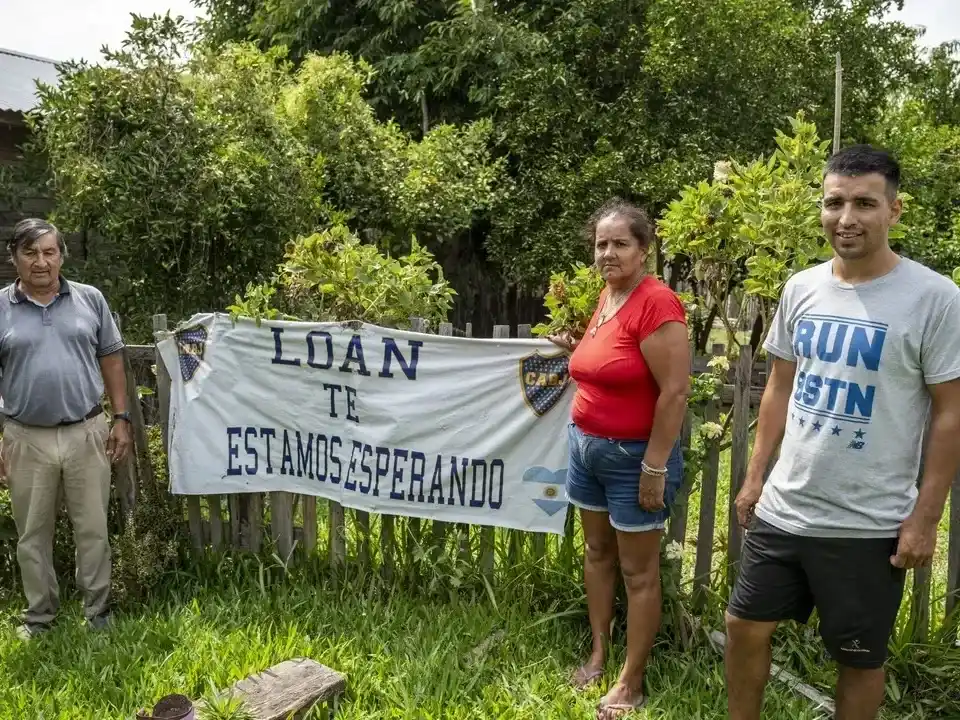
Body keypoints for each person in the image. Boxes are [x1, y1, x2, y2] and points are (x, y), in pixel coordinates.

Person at [726, 145, 960, 720]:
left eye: (864, 203)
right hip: (786, 508)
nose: (846, 217)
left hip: (867, 522)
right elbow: (779, 387)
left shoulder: (935, 299)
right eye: (834, 202)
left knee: (858, 658)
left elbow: (951, 412)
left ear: (894, 210)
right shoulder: (802, 287)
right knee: (742, 625)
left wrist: (925, 518)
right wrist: (756, 478)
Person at [550, 198, 690, 718]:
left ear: (644, 249)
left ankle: (631, 681)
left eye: (619, 244)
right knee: (596, 554)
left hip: (634, 458)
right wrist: (575, 352)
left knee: (638, 573)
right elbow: (612, 364)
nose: (608, 253)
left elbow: (675, 392)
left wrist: (654, 465)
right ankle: (599, 652)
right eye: (601, 244)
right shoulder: (609, 296)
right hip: (586, 447)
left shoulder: (657, 303)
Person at [0, 218, 133, 639]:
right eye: (30, 252)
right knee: (32, 535)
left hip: (87, 430)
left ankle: (98, 613)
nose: (41, 262)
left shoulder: (89, 299)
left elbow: (112, 358)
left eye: (49, 252)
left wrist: (122, 418)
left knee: (92, 528)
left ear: (61, 256)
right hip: (25, 436)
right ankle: (39, 616)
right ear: (14, 257)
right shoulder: (0, 306)